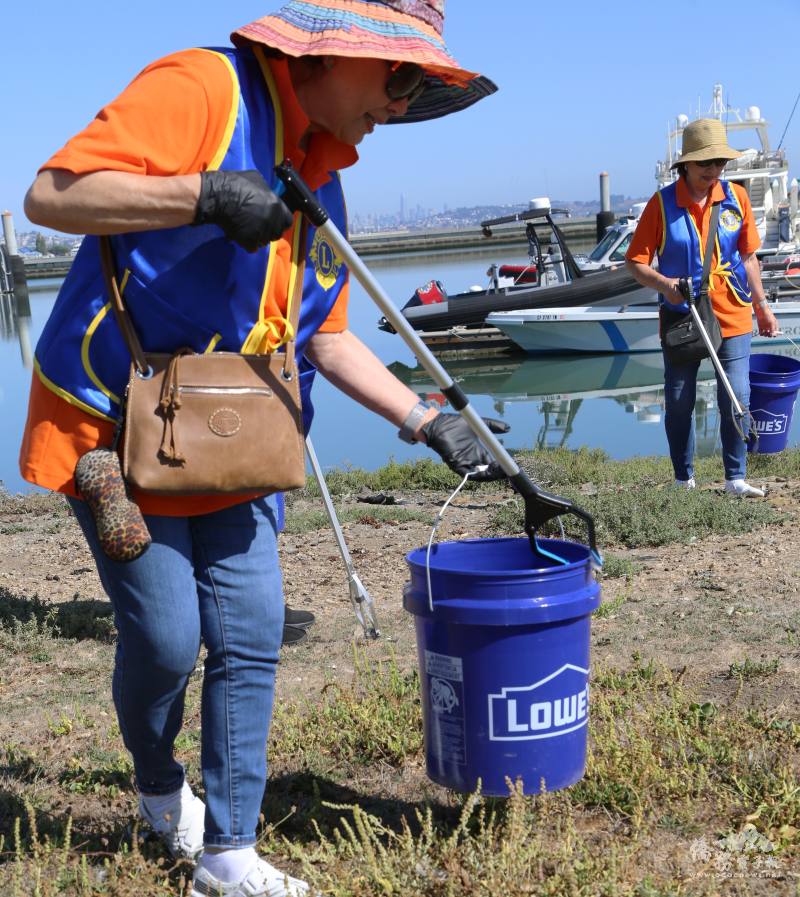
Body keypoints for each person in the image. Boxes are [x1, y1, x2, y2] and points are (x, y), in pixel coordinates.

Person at [20, 3, 501, 895]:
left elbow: (324, 337)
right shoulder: (206, 88)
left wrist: (426, 419)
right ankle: (160, 784)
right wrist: (199, 194)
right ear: (328, 51)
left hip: (240, 438)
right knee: (165, 640)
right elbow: (52, 194)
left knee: (248, 635)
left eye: (415, 87)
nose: (398, 106)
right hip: (122, 430)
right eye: (398, 78)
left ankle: (228, 853)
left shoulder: (324, 172)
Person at [626, 118, 779, 498]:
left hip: (733, 310)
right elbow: (636, 263)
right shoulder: (661, 205)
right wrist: (666, 286)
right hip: (683, 317)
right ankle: (684, 481)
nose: (714, 171)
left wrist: (762, 306)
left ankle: (735, 478)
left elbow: (748, 257)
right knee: (679, 401)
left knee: (737, 395)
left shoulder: (736, 198)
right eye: (706, 164)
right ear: (686, 165)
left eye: (720, 163)